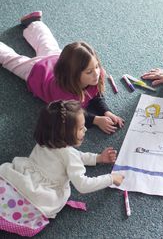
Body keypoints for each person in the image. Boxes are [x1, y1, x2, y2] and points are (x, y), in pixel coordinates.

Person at [0, 100, 124, 237]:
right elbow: (83, 185)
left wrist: (98, 158)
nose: (86, 130)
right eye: (82, 127)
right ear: (66, 133)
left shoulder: (48, 137)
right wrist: (111, 178)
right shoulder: (69, 154)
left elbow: (74, 157)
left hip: (21, 177)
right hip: (40, 194)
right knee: (40, 202)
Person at [0, 11, 124, 134]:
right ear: (74, 74)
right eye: (89, 71)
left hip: (57, 57)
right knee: (13, 60)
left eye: (96, 66)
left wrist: (106, 111)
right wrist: (96, 120)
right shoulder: (63, 94)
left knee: (46, 42)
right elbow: (70, 116)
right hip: (38, 71)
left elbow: (95, 95)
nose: (96, 73)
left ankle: (34, 23)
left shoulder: (91, 73)